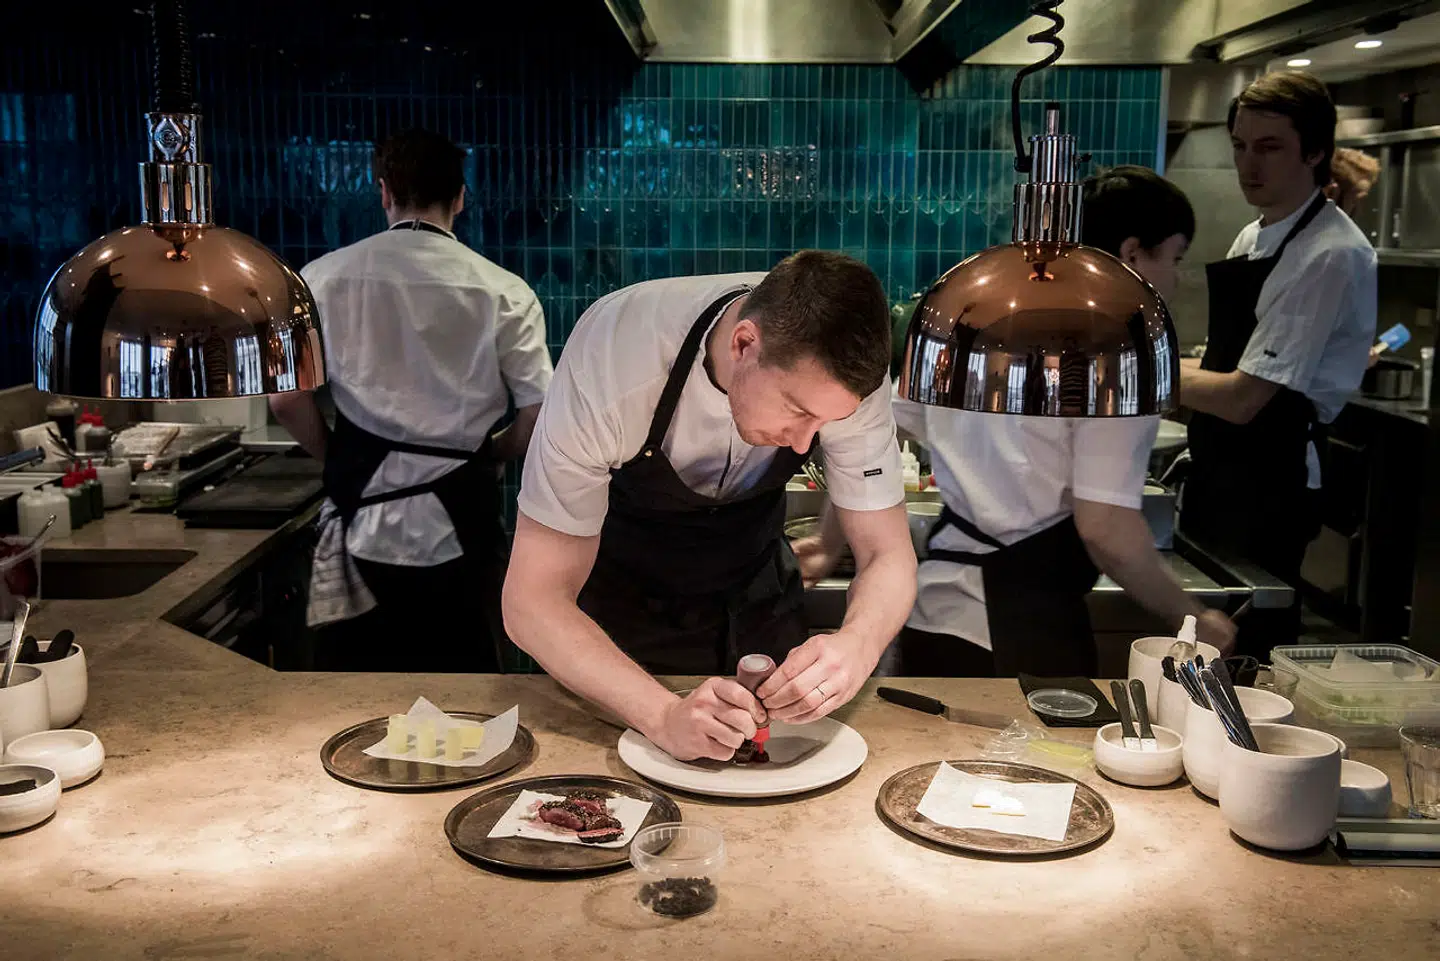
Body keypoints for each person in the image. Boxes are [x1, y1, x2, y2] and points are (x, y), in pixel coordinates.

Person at [503, 252, 917, 762]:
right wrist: (660, 714)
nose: (807, 442)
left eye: (825, 423)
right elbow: (531, 600)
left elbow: (887, 555)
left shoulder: (846, 381)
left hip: (762, 613)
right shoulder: (613, 359)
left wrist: (857, 644)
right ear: (744, 344)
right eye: (798, 412)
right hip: (623, 637)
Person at [879, 166, 1236, 678]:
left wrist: (832, 542)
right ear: (1133, 254)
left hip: (931, 616)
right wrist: (1194, 618)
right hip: (1020, 631)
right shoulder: (1111, 349)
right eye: (1175, 258)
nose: (1177, 278)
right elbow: (1106, 529)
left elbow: (880, 426)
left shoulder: (977, 320)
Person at [270, 128, 554, 672]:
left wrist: (339, 460)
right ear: (461, 197)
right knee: (462, 693)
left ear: (383, 191)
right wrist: (494, 453)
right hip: (461, 522)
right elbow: (540, 414)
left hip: (361, 524)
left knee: (350, 695)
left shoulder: (320, 280)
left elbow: (287, 402)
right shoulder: (503, 290)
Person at [1178, 72, 1378, 658]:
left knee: (1248, 647)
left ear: (1316, 152)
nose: (1248, 164)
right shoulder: (1256, 234)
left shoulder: (1331, 254)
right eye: (1240, 146)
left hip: (1271, 482)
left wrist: (1143, 370)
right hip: (1224, 469)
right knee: (1204, 642)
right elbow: (1226, 358)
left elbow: (1244, 398)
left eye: (1269, 148)